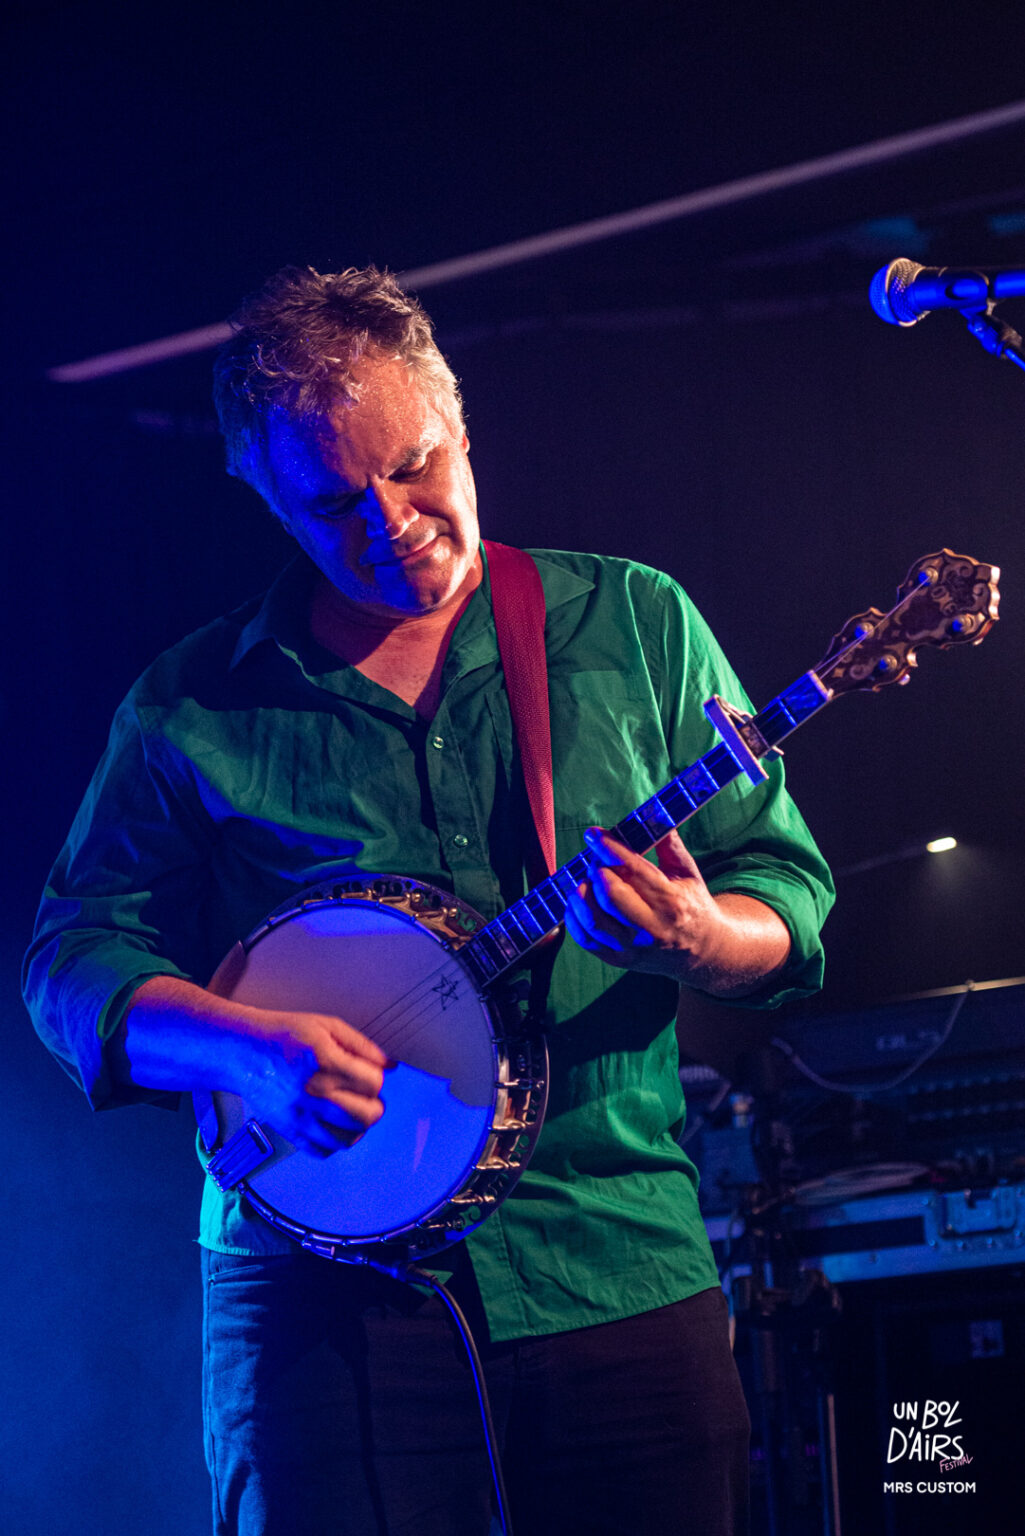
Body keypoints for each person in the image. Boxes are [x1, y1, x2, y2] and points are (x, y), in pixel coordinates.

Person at [24, 265, 833, 1536]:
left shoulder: (630, 622)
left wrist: (695, 935)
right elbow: (73, 957)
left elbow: (781, 889)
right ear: (261, 494)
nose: (391, 521)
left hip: (609, 1257)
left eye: (413, 466)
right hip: (310, 1298)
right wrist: (247, 1048)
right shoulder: (191, 702)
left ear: (458, 423)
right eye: (331, 502)